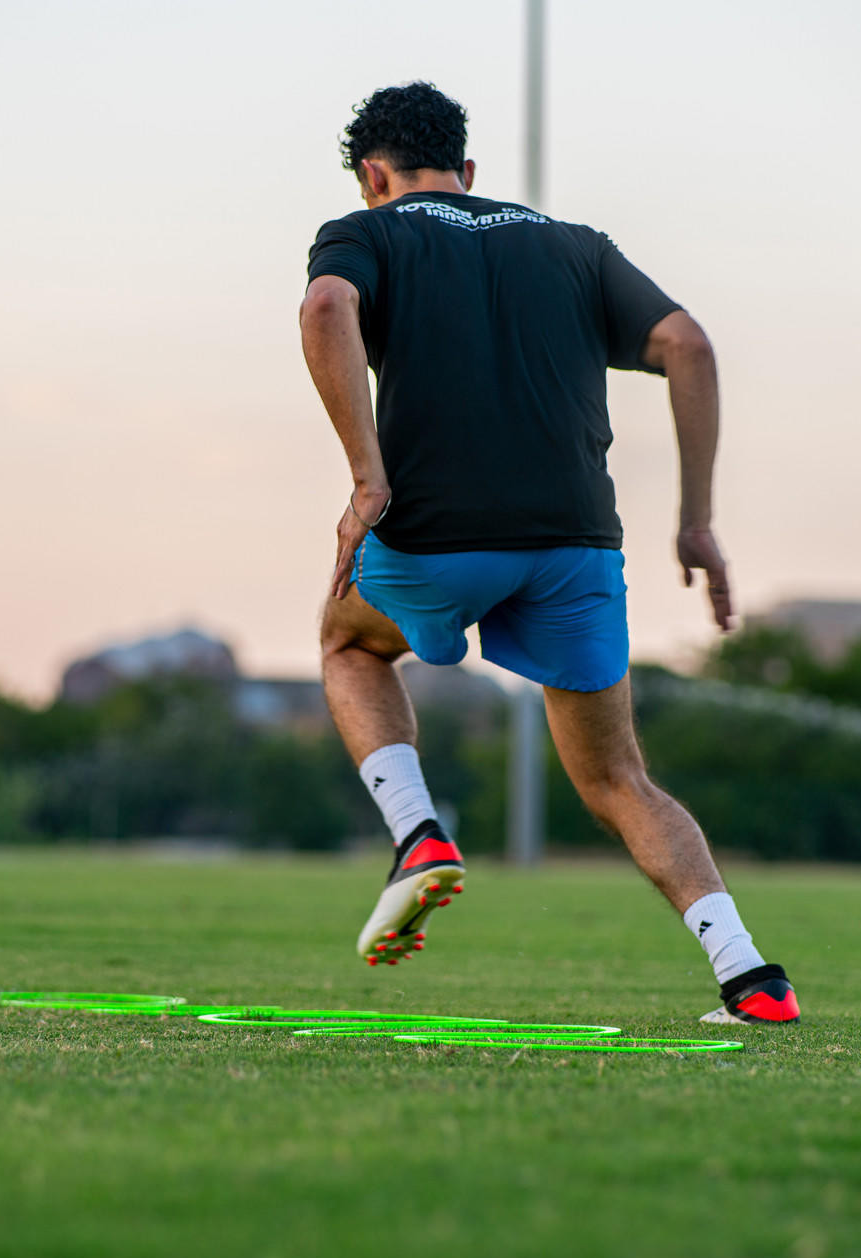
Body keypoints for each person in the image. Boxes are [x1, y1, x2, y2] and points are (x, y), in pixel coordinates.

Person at [299, 82, 799, 1024]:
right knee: (618, 780)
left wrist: (367, 477)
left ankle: (418, 837)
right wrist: (695, 521)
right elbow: (687, 345)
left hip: (435, 535)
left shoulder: (366, 233)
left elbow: (327, 308)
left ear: (374, 175)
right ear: (469, 169)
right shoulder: (573, 243)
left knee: (349, 647)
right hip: (573, 543)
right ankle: (751, 978)